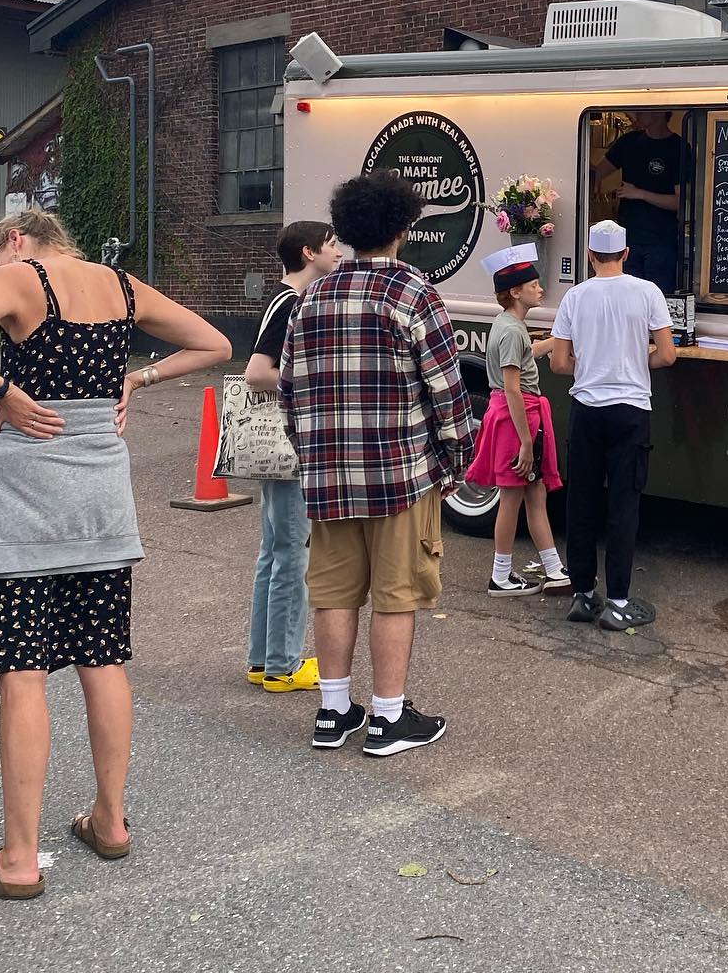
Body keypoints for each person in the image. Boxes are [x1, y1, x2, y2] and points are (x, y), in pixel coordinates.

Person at [0, 210, 229, 901]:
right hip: (102, 502)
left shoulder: (21, 278)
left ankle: (18, 860)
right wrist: (137, 380)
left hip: (26, 502)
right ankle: (110, 820)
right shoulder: (122, 286)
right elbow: (214, 343)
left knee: (22, 673)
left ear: (15, 240)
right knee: (102, 658)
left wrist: (2, 391)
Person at [280, 173, 477, 758]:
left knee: (334, 592)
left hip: (328, 477)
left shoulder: (312, 297)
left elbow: (289, 392)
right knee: (397, 593)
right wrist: (457, 460)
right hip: (400, 473)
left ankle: (333, 711)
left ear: (344, 228)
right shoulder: (414, 293)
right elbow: (447, 391)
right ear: (403, 227)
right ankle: (389, 719)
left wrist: (312, 455)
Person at [549, 220, 677, 631]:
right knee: (623, 505)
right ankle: (618, 602)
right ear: (626, 253)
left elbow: (559, 363)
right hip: (631, 409)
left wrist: (590, 367)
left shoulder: (574, 296)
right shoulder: (648, 292)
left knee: (581, 503)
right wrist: (637, 362)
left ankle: (583, 595)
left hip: (586, 408)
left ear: (589, 255)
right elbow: (668, 355)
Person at [242, 219, 342, 691]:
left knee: (275, 552)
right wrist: (314, 383)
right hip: (290, 442)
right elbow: (257, 372)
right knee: (292, 556)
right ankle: (283, 665)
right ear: (308, 253)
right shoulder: (291, 302)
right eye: (331, 244)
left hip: (277, 444)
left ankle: (264, 659)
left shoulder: (286, 299)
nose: (338, 251)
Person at [463, 243, 568, 597]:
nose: (541, 289)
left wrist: (556, 340)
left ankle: (554, 570)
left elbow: (526, 353)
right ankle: (501, 576)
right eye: (534, 285)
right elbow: (511, 388)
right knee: (511, 497)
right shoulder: (511, 330)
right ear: (515, 292)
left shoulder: (509, 325)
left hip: (517, 415)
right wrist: (525, 441)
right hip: (516, 418)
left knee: (535, 492)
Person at [603, 108, 687, 292]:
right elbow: (595, 174)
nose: (635, 116)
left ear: (658, 112)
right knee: (627, 296)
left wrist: (639, 193)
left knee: (658, 296)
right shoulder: (628, 142)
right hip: (627, 240)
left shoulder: (678, 148)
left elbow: (680, 202)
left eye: (640, 112)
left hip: (662, 242)